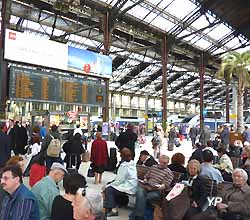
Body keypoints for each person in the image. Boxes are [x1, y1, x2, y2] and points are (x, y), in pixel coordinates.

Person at [130, 155, 174, 220]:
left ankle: (137, 216)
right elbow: (146, 176)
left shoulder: (169, 173)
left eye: (164, 163)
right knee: (140, 193)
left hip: (156, 191)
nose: (162, 164)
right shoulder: (154, 167)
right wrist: (145, 180)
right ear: (159, 161)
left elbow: (166, 185)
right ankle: (139, 216)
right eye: (161, 162)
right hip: (146, 186)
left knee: (143, 197)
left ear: (168, 163)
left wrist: (162, 186)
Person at [104, 148, 137, 217]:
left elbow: (119, 181)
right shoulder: (132, 163)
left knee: (109, 189)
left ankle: (113, 210)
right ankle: (120, 203)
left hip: (128, 186)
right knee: (111, 186)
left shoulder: (124, 166)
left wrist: (108, 185)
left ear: (122, 156)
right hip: (132, 185)